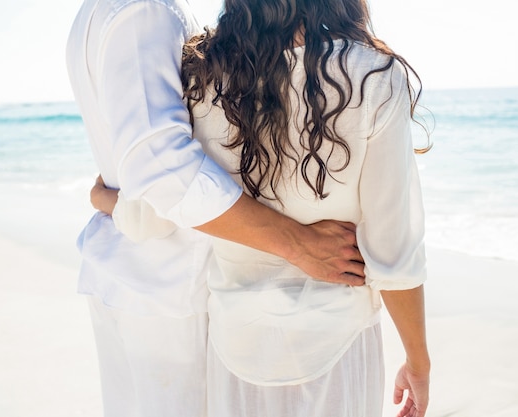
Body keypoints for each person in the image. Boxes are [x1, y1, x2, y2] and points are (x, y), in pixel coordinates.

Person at [95, 0, 432, 416]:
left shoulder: (204, 77)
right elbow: (393, 250)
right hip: (338, 340)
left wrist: (104, 199)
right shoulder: (373, 77)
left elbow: (163, 206)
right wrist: (418, 362)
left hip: (236, 343)